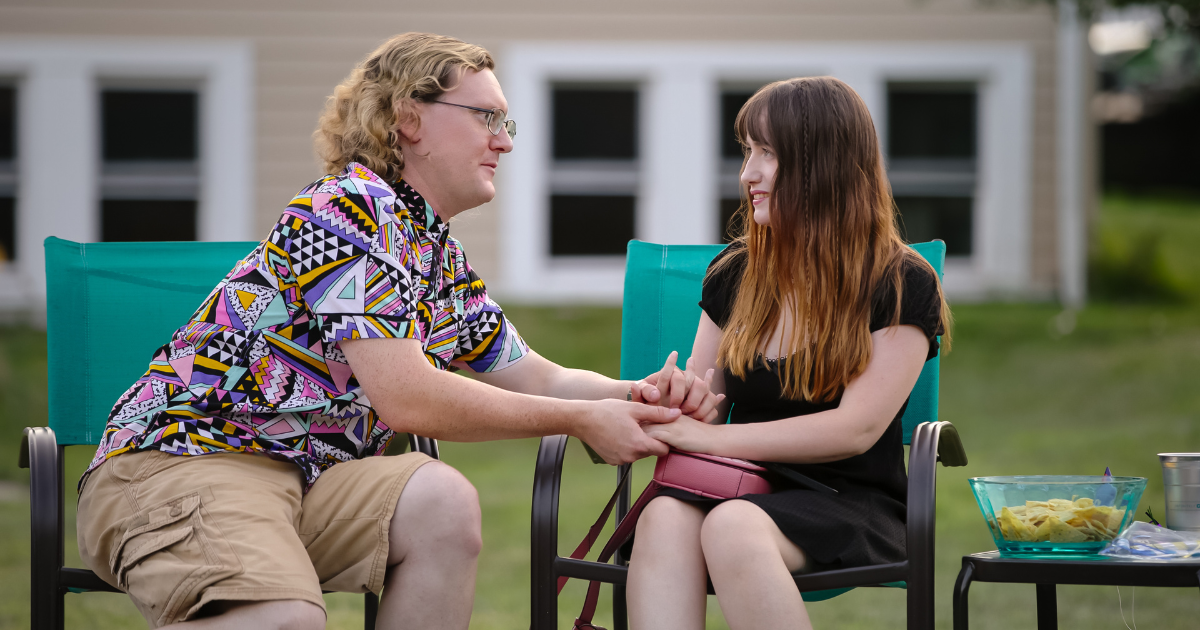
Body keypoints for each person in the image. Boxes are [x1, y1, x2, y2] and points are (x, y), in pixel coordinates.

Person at [75, 32, 720, 630]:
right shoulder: (346, 210)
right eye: (487, 117)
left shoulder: (433, 252)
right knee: (286, 623)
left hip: (307, 483)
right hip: (187, 466)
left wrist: (640, 398)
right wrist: (580, 421)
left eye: (505, 123)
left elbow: (540, 377)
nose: (504, 142)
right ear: (408, 118)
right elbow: (408, 397)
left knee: (440, 503)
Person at [626, 76, 952, 630]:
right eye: (747, 151)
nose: (747, 174)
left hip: (849, 498)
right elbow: (706, 404)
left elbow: (854, 429)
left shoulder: (900, 282)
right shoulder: (736, 273)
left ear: (823, 164)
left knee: (732, 525)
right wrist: (681, 400)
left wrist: (711, 438)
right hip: (742, 480)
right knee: (663, 518)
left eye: (768, 153)